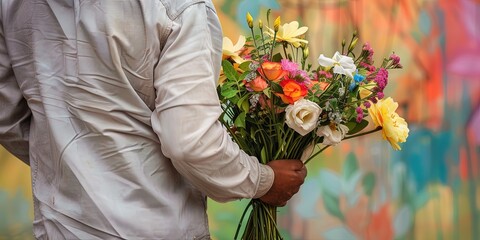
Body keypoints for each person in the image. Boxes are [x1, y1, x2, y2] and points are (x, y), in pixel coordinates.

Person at [0, 0, 307, 239]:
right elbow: (190, 143)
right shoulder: (180, 6)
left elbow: (6, 120)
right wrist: (263, 181)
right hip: (157, 227)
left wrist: (72, 158)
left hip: (61, 227)